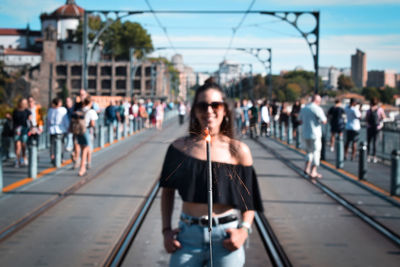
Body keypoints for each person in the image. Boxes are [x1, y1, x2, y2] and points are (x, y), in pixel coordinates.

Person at [160, 78, 264, 267]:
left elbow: (249, 201)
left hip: (226, 237)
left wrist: (244, 231)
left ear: (225, 110)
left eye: (215, 105)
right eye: (202, 105)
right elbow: (167, 192)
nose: (209, 110)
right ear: (195, 111)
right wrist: (166, 230)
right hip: (187, 237)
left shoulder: (239, 151)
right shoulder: (178, 149)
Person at [298, 94, 327, 180]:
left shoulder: (304, 108)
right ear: (318, 101)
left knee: (308, 151)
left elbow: (300, 120)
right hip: (315, 133)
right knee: (316, 152)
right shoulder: (317, 109)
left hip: (305, 133)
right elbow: (324, 121)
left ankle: (307, 168)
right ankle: (313, 171)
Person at [76, 96, 98, 176]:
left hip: (79, 131)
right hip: (87, 131)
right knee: (85, 148)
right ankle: (82, 167)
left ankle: (85, 164)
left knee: (83, 148)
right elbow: (92, 123)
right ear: (90, 102)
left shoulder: (80, 110)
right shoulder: (91, 111)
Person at [47, 98, 68, 166]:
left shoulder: (50, 110)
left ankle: (53, 156)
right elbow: (65, 120)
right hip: (60, 129)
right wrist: (67, 128)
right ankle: (60, 157)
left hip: (52, 129)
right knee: (61, 144)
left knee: (52, 144)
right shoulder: (62, 110)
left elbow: (48, 120)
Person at [365, 97, 386, 163]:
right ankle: (374, 157)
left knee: (368, 142)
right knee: (375, 142)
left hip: (370, 127)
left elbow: (366, 119)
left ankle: (367, 156)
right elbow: (383, 117)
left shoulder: (368, 110)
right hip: (377, 128)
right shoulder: (380, 109)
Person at [12, 98, 32, 168]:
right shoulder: (15, 111)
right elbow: (13, 121)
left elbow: (30, 120)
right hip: (17, 130)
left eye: (25, 103)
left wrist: (31, 128)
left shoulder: (27, 111)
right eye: (23, 103)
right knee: (17, 146)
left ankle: (24, 156)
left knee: (23, 145)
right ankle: (17, 160)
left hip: (25, 129)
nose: (24, 104)